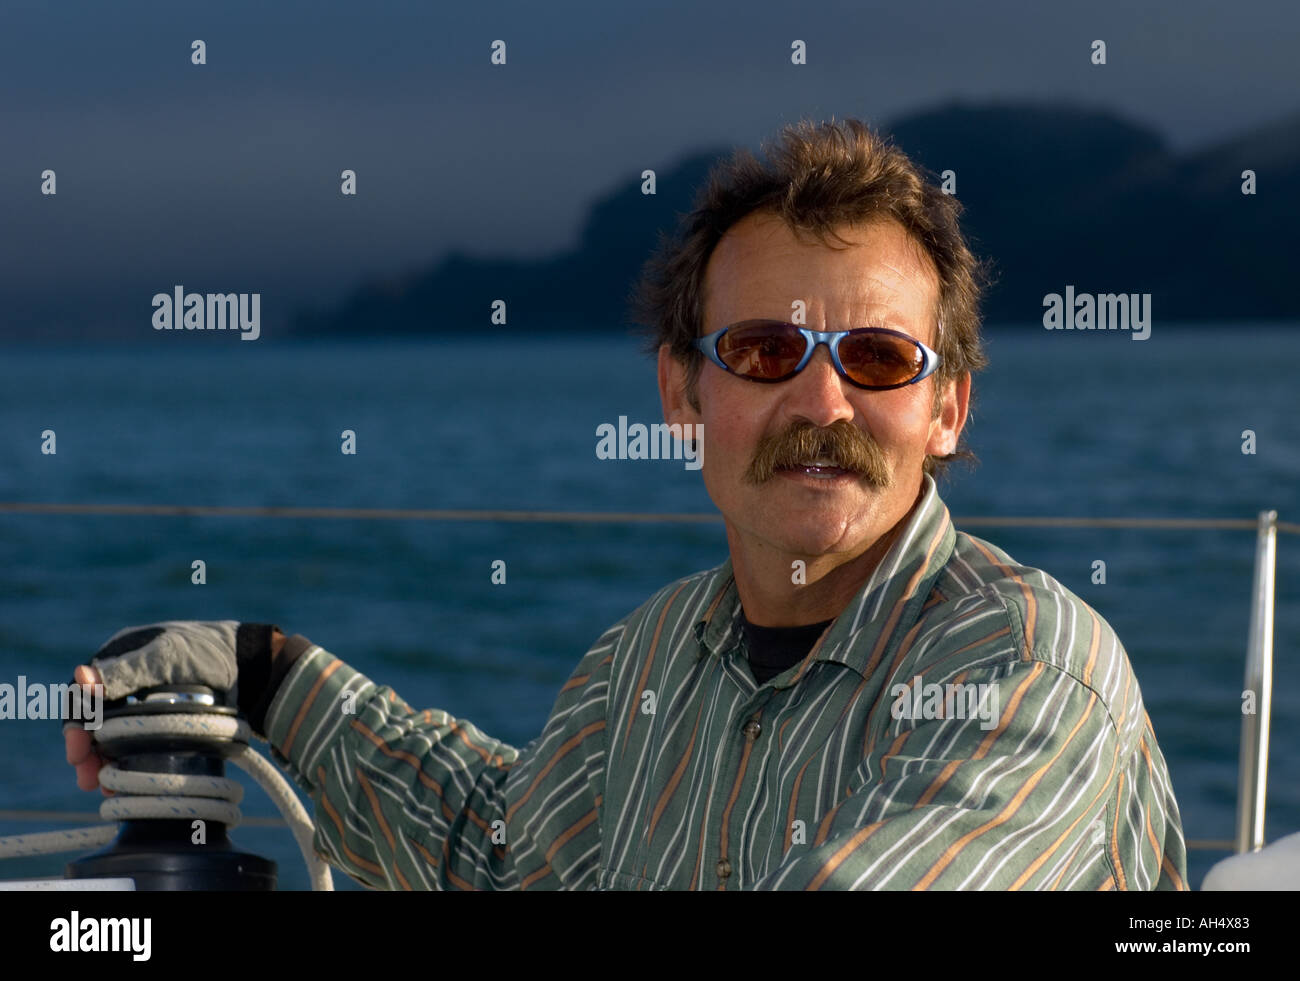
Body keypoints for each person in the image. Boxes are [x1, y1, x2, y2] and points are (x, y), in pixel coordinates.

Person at [66, 118, 1187, 890]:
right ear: (682, 392)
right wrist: (263, 671)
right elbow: (497, 855)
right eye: (763, 349)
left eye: (881, 359)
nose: (823, 402)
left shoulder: (1028, 660)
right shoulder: (645, 665)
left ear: (946, 409)